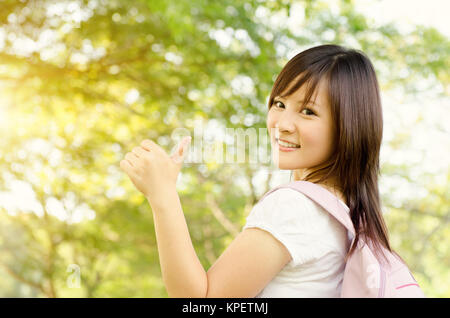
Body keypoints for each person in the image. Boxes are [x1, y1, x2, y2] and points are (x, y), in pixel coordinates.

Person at [120, 44, 392, 298]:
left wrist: (163, 195)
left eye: (308, 111)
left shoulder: (295, 206)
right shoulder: (348, 213)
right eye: (280, 104)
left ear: (348, 127)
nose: (283, 124)